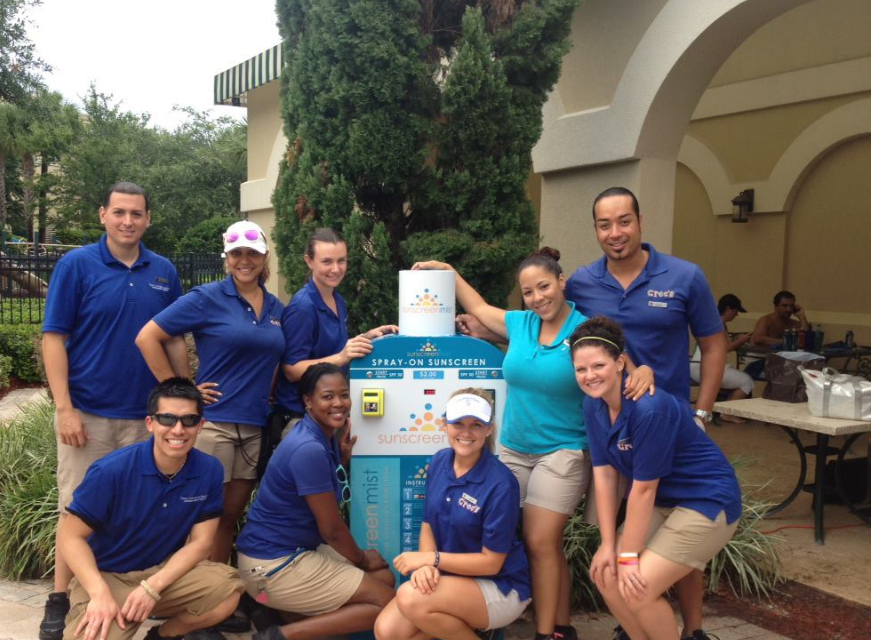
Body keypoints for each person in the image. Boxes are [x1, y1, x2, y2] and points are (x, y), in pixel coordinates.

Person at [459, 187, 727, 640]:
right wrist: (486, 332)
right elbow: (543, 326)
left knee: (674, 534)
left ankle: (693, 630)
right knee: (630, 531)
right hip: (614, 429)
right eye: (605, 224)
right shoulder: (582, 282)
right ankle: (632, 623)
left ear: (641, 220)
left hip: (669, 422)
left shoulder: (685, 277)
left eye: (624, 221)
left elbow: (714, 343)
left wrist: (702, 412)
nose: (615, 232)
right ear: (595, 230)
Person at [413, 252, 652, 640]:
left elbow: (620, 361)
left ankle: (546, 634)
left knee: (542, 540)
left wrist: (644, 369)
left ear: (561, 282)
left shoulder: (583, 330)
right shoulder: (519, 324)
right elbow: (475, 305)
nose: (538, 297)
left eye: (544, 286)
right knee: (526, 540)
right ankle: (560, 626)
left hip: (563, 450)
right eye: (528, 291)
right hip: (511, 449)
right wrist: (450, 271)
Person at [40, 181, 184, 640]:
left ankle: (121, 589)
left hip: (147, 418)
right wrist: (65, 407)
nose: (127, 221)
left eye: (136, 214)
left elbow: (174, 337)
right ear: (103, 214)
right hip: (89, 415)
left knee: (135, 508)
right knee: (75, 508)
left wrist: (185, 393)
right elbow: (53, 339)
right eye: (119, 212)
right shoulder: (76, 265)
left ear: (148, 219)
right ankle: (60, 597)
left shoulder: (163, 271)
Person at [569, 317, 741, 640]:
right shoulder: (593, 405)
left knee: (637, 587)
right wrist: (608, 546)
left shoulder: (649, 408)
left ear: (620, 362)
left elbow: (644, 490)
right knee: (606, 574)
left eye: (598, 365)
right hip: (663, 502)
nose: (590, 376)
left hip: (705, 501)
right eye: (581, 369)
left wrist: (628, 557)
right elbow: (605, 477)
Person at [136, 220, 285, 564]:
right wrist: (181, 391)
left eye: (252, 253)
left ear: (265, 259)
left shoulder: (277, 308)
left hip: (254, 427)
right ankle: (189, 595)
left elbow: (275, 357)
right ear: (226, 258)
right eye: (236, 254)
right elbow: (147, 337)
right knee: (200, 519)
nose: (244, 260)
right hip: (214, 426)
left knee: (228, 519)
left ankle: (218, 592)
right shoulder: (207, 298)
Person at [57, 377, 246, 640]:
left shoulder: (209, 470)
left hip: (162, 574)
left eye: (189, 420)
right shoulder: (111, 471)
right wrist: (99, 594)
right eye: (167, 419)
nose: (178, 429)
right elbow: (70, 536)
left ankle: (163, 635)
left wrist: (152, 587)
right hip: (108, 577)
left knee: (226, 594)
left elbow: (202, 543)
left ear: (200, 426)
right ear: (150, 423)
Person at [235, 363, 395, 640]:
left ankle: (284, 620)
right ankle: (277, 635)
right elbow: (331, 530)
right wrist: (361, 559)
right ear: (308, 401)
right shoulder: (308, 448)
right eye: (328, 396)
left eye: (344, 395)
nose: (339, 403)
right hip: (272, 565)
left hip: (290, 552)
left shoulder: (323, 435)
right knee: (388, 602)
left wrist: (341, 460)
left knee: (384, 578)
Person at [375, 389, 531, 640]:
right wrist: (426, 564)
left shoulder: (501, 483)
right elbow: (428, 524)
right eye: (458, 423)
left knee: (409, 598)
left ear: (489, 429)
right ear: (444, 424)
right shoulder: (439, 461)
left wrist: (432, 559)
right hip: (451, 579)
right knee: (388, 631)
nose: (466, 433)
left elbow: (491, 563)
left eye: (476, 425)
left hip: (499, 586)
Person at [274, 228, 397, 435]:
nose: (336, 269)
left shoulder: (336, 299)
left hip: (327, 416)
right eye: (327, 261)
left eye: (342, 261)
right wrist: (341, 357)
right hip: (302, 420)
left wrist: (365, 338)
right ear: (309, 261)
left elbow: (328, 349)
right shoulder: (303, 307)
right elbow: (292, 370)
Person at [690, 294, 754, 423]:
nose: (736, 315)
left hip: (694, 366)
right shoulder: (718, 323)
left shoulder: (713, 321)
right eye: (735, 312)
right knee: (747, 381)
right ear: (729, 309)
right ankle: (727, 414)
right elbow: (724, 349)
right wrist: (741, 341)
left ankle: (723, 408)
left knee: (737, 378)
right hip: (706, 368)